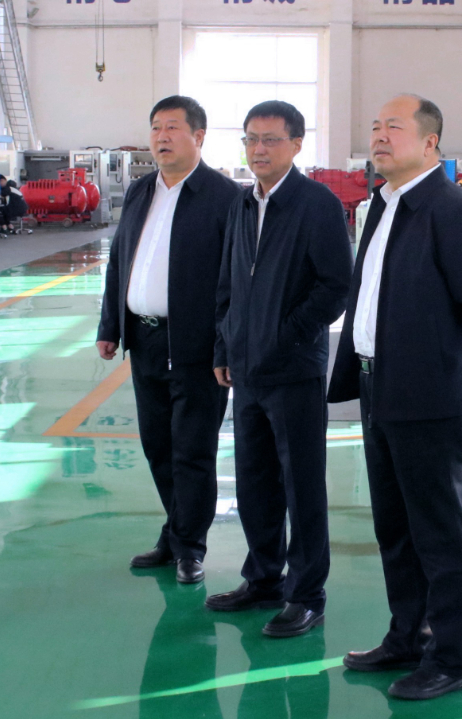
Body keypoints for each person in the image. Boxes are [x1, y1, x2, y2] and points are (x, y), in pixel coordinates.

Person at [326, 95, 462, 700]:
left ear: (430, 143)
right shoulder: (382, 203)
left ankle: (450, 657)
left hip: (431, 399)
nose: (379, 135)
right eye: (375, 126)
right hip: (380, 388)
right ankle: (406, 636)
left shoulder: (454, 213)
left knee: (440, 533)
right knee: (395, 526)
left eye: (393, 127)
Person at [209, 100, 352, 638]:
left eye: (270, 139)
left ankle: (306, 593)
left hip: (293, 370)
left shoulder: (317, 204)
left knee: (302, 486)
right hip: (245, 371)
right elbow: (228, 283)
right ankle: (263, 578)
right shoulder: (243, 204)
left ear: (296, 144)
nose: (259, 149)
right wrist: (224, 347)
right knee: (255, 481)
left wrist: (284, 334)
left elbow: (335, 286)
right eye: (251, 139)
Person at [96, 96, 243, 585]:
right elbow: (119, 260)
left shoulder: (225, 197)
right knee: (157, 445)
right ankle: (175, 531)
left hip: (198, 346)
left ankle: (190, 546)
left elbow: (235, 281)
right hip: (146, 339)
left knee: (192, 450)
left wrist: (225, 347)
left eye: (173, 127)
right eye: (156, 127)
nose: (161, 136)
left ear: (198, 136)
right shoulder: (141, 190)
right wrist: (110, 325)